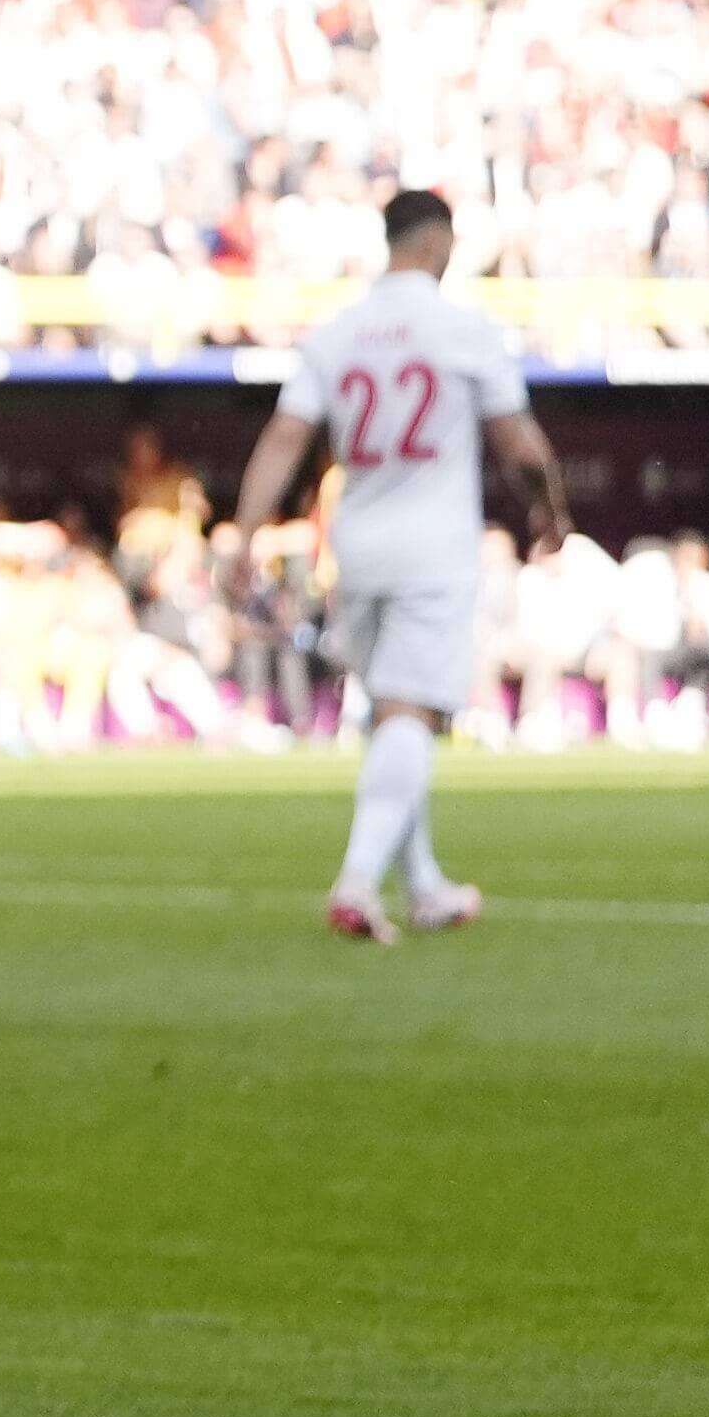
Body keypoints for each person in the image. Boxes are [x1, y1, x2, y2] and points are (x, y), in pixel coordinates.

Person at [236, 189, 565, 942]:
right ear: (440, 243)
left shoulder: (337, 332)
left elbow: (286, 439)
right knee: (412, 713)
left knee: (391, 709)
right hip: (433, 545)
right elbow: (522, 446)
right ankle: (357, 881)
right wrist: (552, 514)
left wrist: (245, 532)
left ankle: (425, 886)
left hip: (358, 540)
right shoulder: (463, 328)